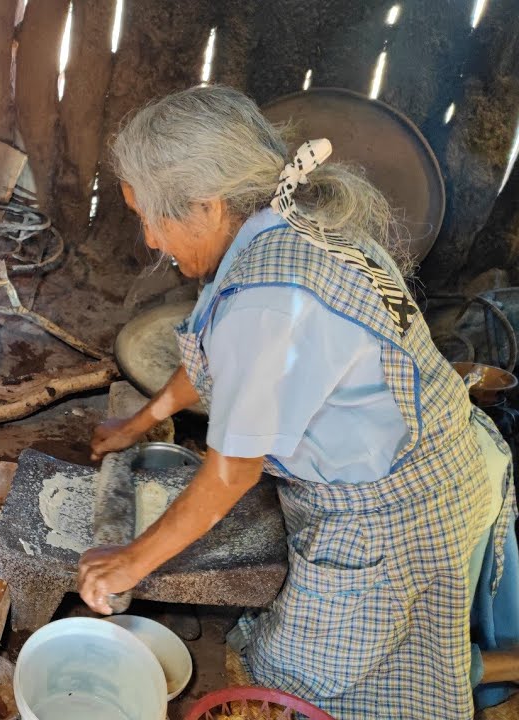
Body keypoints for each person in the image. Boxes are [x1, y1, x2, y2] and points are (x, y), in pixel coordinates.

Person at [79, 85, 517, 717]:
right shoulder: (286, 226)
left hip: (398, 511)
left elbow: (232, 470)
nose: (150, 239)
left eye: (151, 217)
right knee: (410, 649)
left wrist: (127, 562)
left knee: (301, 684)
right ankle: (482, 669)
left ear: (206, 205)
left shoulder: (268, 297)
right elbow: (214, 361)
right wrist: (140, 421)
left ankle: (482, 678)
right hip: (444, 461)